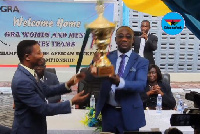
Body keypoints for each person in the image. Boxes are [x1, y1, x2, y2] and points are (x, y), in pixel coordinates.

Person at [11, 40, 89, 134]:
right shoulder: (22, 81)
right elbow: (43, 108)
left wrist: (69, 83)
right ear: (27, 57)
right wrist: (72, 102)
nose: (42, 55)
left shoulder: (30, 73)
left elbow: (46, 90)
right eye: (39, 53)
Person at [91, 26, 149, 134]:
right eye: (120, 36)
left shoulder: (141, 61)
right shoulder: (107, 57)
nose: (124, 39)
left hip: (130, 113)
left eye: (128, 37)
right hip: (108, 112)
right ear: (116, 40)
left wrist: (120, 82)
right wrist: (94, 63)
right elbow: (92, 75)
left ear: (133, 40)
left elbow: (141, 85)